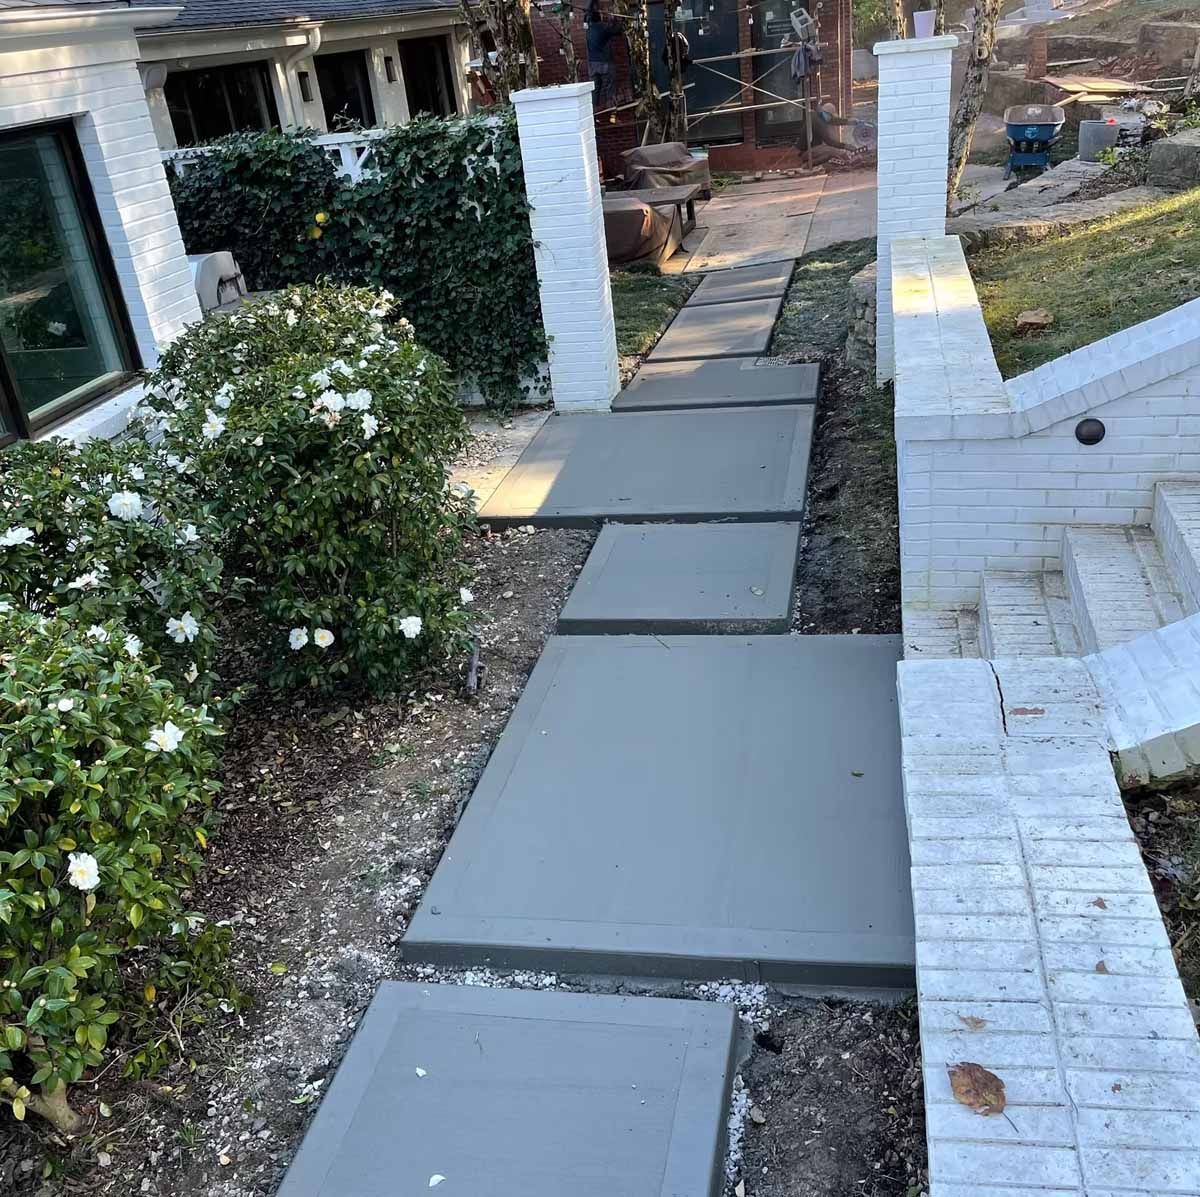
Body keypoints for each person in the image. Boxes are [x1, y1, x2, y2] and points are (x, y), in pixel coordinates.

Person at [586, 2, 622, 109]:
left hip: (592, 65)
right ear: (599, 17)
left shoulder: (589, 27)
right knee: (610, 86)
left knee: (595, 89)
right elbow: (617, 31)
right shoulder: (603, 28)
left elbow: (589, 11)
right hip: (604, 63)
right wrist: (616, 19)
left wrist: (592, 1)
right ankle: (611, 109)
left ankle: (594, 110)